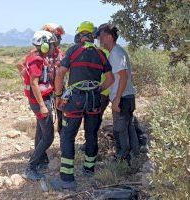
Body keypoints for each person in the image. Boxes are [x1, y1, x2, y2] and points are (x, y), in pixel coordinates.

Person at [51, 21, 114, 190]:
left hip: (75, 99)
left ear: (79, 35)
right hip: (94, 99)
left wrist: (58, 95)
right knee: (91, 133)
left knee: (67, 136)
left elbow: (60, 73)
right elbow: (111, 79)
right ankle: (88, 169)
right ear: (92, 36)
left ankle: (67, 179)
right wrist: (97, 90)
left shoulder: (73, 50)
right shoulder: (101, 54)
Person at [96, 23, 140, 163]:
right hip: (126, 96)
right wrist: (99, 89)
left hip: (123, 97)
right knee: (128, 127)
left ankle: (122, 158)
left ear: (109, 37)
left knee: (120, 130)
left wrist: (116, 99)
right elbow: (112, 79)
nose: (99, 40)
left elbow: (123, 76)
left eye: (101, 37)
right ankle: (134, 156)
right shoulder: (117, 52)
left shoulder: (116, 53)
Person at [21, 30, 57, 180]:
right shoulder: (36, 60)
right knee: (48, 137)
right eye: (51, 44)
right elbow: (34, 83)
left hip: (42, 99)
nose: (53, 47)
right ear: (43, 45)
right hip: (40, 101)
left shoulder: (38, 58)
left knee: (40, 133)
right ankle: (31, 167)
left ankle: (41, 160)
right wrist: (42, 105)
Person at [42, 23, 65, 134]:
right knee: (45, 120)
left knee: (62, 116)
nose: (60, 39)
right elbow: (21, 64)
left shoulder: (59, 52)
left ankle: (63, 144)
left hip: (59, 89)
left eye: (60, 36)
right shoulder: (41, 52)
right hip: (47, 90)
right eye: (57, 36)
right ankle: (41, 147)